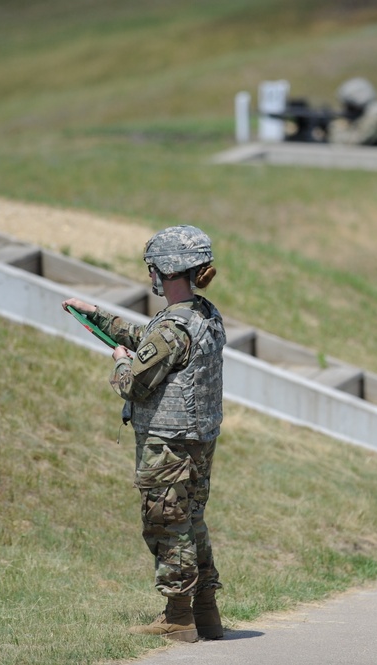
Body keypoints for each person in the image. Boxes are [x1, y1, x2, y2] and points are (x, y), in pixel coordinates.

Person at [62, 224, 226, 643]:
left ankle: (178, 618)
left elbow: (133, 382)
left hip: (166, 445)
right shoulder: (204, 315)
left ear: (164, 271)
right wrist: (96, 315)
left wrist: (120, 361)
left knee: (166, 524)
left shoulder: (173, 326)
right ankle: (205, 613)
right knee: (191, 521)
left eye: (153, 268)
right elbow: (148, 340)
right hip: (198, 439)